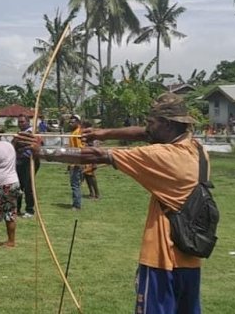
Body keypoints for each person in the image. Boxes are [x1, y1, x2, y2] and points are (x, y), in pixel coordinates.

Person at [18, 92, 208, 312]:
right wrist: (104, 132)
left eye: (151, 122)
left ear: (166, 124)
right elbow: (145, 134)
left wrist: (43, 151)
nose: (146, 128)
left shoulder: (161, 155)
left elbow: (96, 155)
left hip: (163, 259)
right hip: (190, 258)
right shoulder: (197, 149)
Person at [12, 114, 36, 218]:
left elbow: (24, 144)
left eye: (22, 122)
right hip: (19, 161)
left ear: (28, 122)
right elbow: (14, 144)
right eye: (19, 122)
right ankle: (16, 209)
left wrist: (19, 144)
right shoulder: (20, 133)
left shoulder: (31, 132)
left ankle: (29, 210)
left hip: (28, 161)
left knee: (28, 186)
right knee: (18, 186)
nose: (20, 124)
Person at [67, 114, 85, 210]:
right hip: (73, 162)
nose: (70, 123)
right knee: (75, 184)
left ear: (78, 123)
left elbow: (79, 149)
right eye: (69, 122)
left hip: (77, 162)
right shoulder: (74, 132)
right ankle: (76, 203)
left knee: (75, 184)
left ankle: (76, 205)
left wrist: (78, 163)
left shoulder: (77, 133)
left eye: (72, 122)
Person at [81, 120, 100, 200]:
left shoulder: (92, 133)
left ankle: (97, 194)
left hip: (92, 156)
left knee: (91, 175)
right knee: (86, 175)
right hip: (87, 155)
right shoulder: (86, 133)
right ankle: (91, 193)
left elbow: (94, 145)